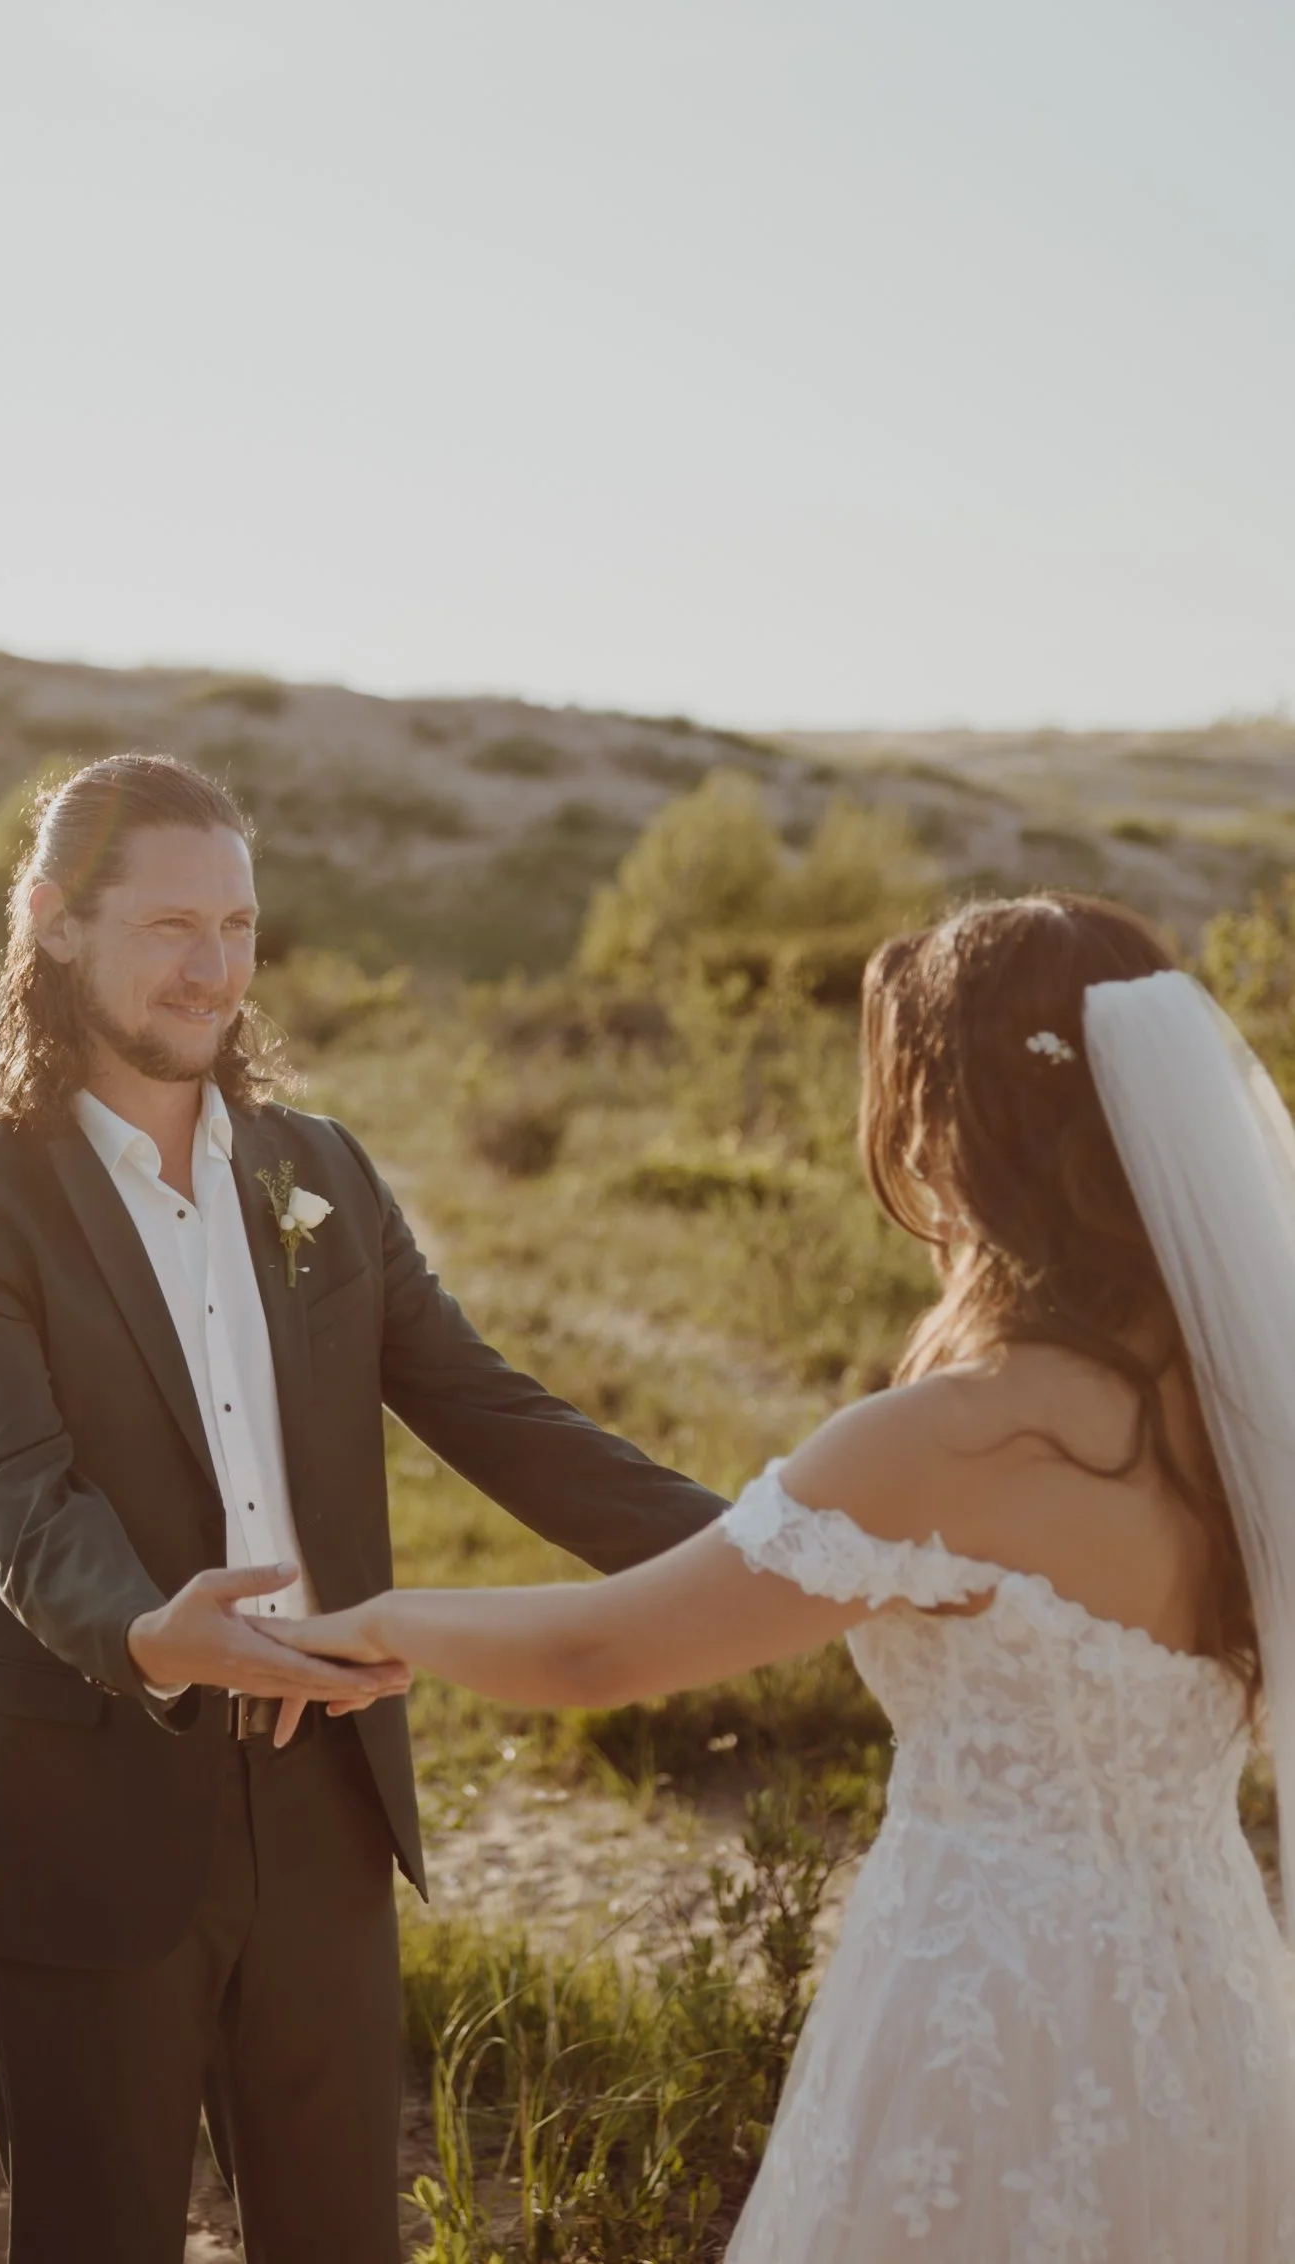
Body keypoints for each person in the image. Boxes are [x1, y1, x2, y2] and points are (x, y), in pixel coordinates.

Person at [262, 894, 1295, 2260]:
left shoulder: (954, 1437)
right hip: (1217, 2006)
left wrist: (383, 1618)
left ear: (954, 1135)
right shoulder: (1245, 1409)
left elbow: (597, 1655)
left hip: (993, 2009)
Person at [0, 751, 724, 2264]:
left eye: (241, 928)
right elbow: (8, 1489)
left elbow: (488, 1404)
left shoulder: (317, 1167)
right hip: (90, 1800)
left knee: (342, 2239)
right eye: (169, 929)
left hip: (326, 1793)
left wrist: (756, 1555)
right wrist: (149, 1631)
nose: (214, 971)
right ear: (57, 924)